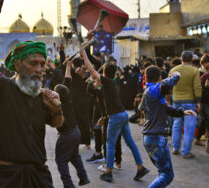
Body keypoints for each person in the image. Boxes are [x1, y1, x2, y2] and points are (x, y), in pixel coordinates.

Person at [0, 0, 63, 188]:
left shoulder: (40, 94)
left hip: (37, 176)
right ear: (18, 64)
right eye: (33, 63)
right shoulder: (2, 88)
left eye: (42, 64)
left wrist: (56, 108)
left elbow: (58, 123)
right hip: (4, 178)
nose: (39, 68)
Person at [80, 45, 149, 182]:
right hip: (122, 115)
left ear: (104, 74)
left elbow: (93, 70)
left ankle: (108, 171)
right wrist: (103, 117)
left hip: (116, 117)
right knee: (130, 142)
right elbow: (105, 101)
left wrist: (84, 55)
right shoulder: (110, 84)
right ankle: (141, 167)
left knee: (110, 144)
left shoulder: (107, 82)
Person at [139, 66, 196, 188]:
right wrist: (175, 76)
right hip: (155, 139)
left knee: (162, 173)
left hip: (150, 139)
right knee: (166, 175)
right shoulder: (153, 90)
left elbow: (164, 108)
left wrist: (182, 112)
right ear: (160, 78)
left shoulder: (149, 91)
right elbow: (166, 86)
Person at [54, 59, 90, 188]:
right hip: (76, 131)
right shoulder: (68, 98)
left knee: (61, 160)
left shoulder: (58, 106)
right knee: (74, 156)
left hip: (67, 135)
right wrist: (68, 65)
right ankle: (84, 177)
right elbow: (67, 80)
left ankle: (68, 185)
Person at [170, 51, 202, 158]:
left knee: (176, 124)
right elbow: (197, 87)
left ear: (181, 59)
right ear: (192, 60)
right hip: (190, 101)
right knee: (189, 127)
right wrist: (198, 102)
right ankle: (186, 152)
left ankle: (175, 148)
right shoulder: (194, 70)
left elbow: (170, 86)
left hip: (176, 100)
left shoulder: (173, 70)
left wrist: (169, 100)